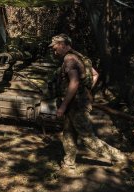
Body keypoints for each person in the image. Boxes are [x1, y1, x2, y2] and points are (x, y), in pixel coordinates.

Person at [49, 33, 127, 173]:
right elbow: (95, 74)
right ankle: (68, 165)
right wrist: (85, 91)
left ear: (62, 44)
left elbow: (74, 82)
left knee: (87, 138)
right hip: (77, 102)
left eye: (55, 48)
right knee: (68, 134)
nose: (54, 51)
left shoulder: (69, 59)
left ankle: (120, 157)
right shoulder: (79, 56)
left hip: (76, 105)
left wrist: (63, 106)